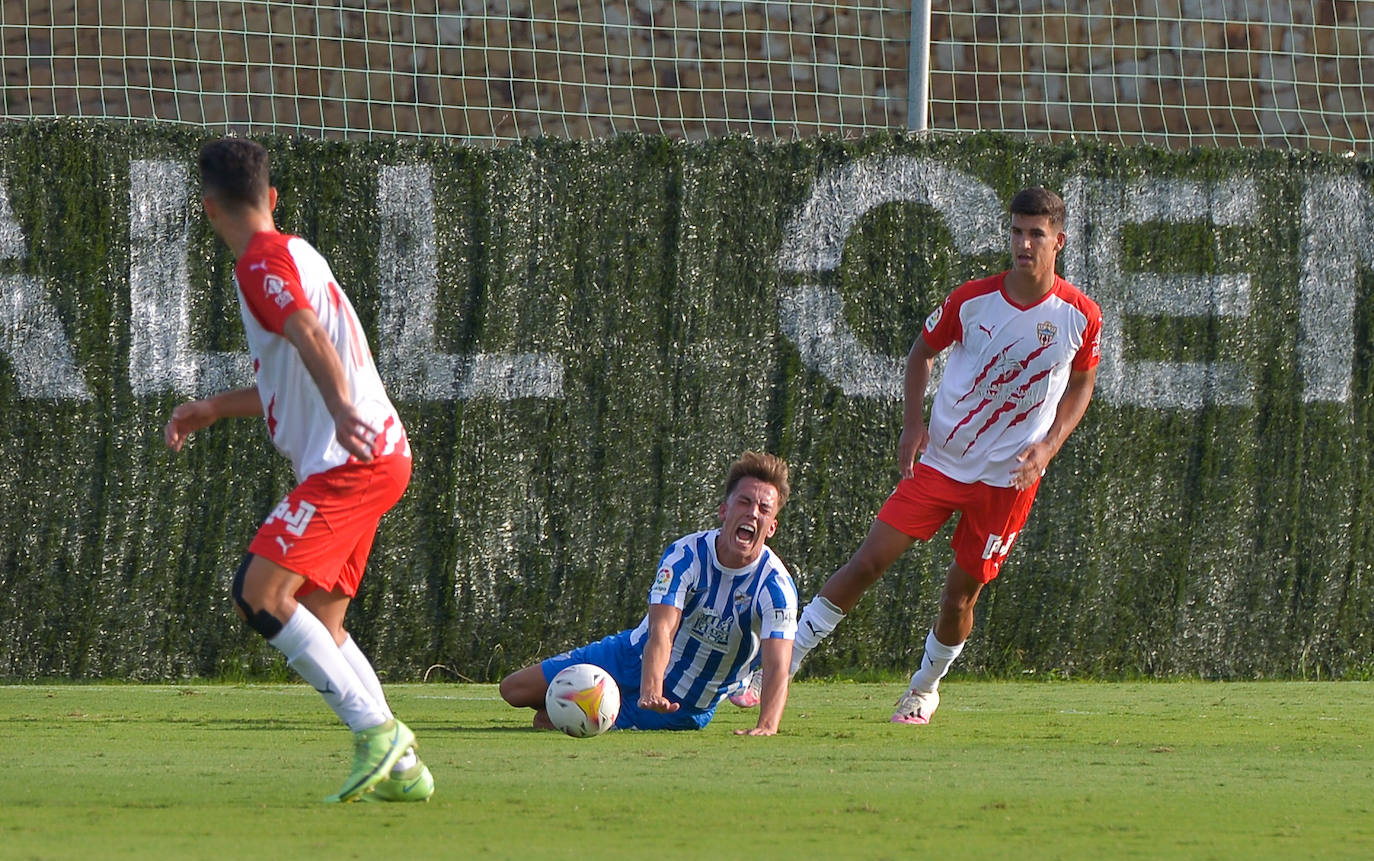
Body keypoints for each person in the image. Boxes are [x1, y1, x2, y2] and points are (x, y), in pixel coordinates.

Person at [164, 137, 432, 802]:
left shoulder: (260, 261)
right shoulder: (300, 252)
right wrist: (214, 407)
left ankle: (377, 732)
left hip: (352, 461)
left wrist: (342, 411)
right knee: (319, 615)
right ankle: (404, 771)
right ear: (272, 197)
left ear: (208, 209)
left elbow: (310, 335)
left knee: (258, 593)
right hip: (377, 454)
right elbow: (291, 377)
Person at [786, 187, 1101, 725]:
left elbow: (1083, 381)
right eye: (1017, 232)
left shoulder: (1080, 315)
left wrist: (1048, 447)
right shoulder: (972, 300)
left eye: (1036, 234)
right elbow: (921, 353)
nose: (1023, 244)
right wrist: (913, 426)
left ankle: (924, 688)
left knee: (959, 600)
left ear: (1059, 242)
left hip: (1008, 483)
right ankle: (783, 662)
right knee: (868, 561)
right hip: (942, 464)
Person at [500, 452, 798, 736]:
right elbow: (662, 630)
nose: (752, 513)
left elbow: (777, 664)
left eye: (763, 509)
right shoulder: (686, 556)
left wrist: (768, 726)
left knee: (546, 720)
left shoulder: (775, 587)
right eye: (744, 502)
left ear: (771, 527)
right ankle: (598, 697)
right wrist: (650, 688)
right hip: (630, 655)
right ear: (724, 509)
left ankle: (596, 706)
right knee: (513, 690)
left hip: (683, 701)